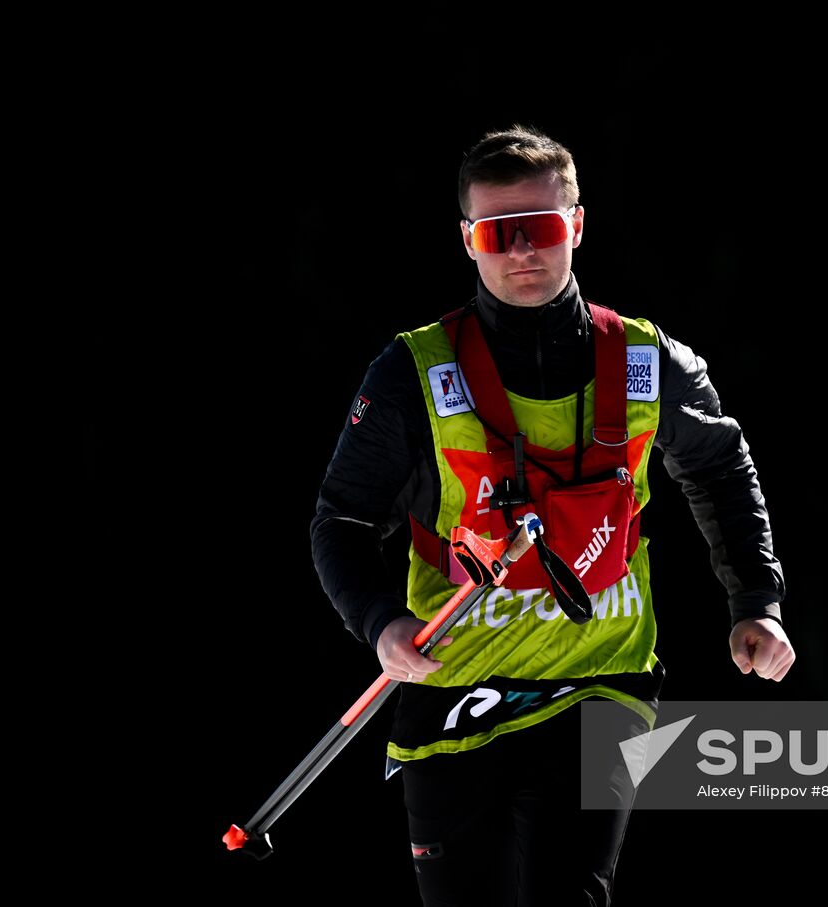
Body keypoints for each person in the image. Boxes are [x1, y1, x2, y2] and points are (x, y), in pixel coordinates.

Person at [311, 124, 794, 906]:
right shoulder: (412, 373)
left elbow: (720, 466)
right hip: (458, 684)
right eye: (496, 234)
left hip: (600, 678)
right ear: (468, 241)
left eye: (539, 227)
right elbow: (341, 522)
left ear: (575, 224)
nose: (521, 252)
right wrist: (380, 622)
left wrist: (757, 602)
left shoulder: (645, 358)